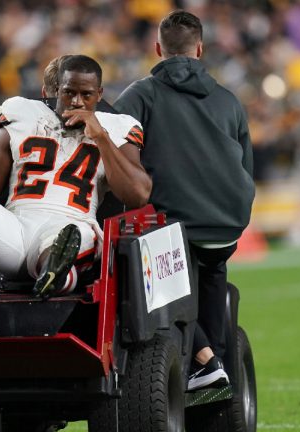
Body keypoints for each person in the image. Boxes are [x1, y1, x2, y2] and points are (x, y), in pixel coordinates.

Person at [0, 55, 151, 299]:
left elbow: (138, 195)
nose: (76, 102)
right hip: (13, 228)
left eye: (86, 95)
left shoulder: (117, 126)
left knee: (66, 242)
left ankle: (55, 275)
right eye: (69, 93)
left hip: (71, 222)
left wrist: (101, 137)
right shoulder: (22, 113)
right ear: (56, 90)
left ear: (99, 94)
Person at [114, 11, 255, 391]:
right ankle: (217, 365)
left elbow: (115, 147)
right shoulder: (229, 100)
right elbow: (247, 163)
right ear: (200, 48)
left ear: (158, 48)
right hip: (228, 222)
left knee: (160, 292)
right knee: (211, 276)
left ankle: (204, 361)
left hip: (174, 222)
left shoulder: (141, 94)